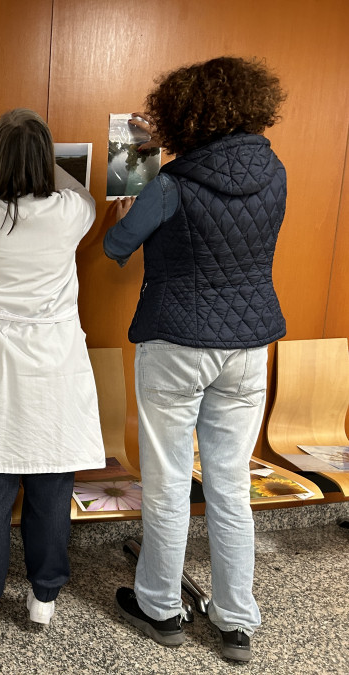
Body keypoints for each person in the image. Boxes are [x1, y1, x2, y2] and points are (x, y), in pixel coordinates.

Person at [103, 56, 287, 663]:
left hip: (177, 340)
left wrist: (123, 207)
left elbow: (116, 247)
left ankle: (159, 606)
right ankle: (236, 621)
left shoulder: (171, 183)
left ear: (187, 113)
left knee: (167, 480)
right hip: (250, 344)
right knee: (231, 485)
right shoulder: (275, 172)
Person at [0, 108, 105, 645]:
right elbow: (83, 196)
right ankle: (43, 599)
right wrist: (43, 163)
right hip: (55, 373)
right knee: (52, 490)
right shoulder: (67, 215)